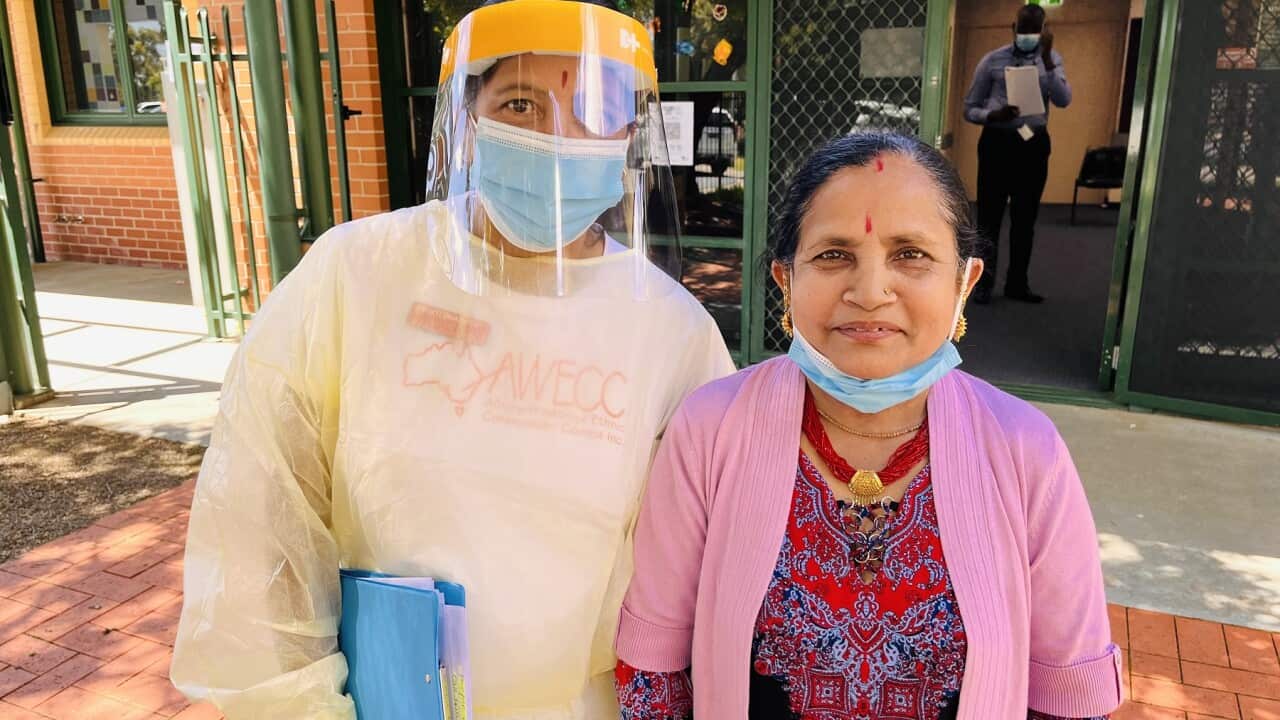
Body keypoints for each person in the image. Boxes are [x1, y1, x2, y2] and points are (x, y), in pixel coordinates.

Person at [168, 1, 735, 717]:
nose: (558, 136)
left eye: (594, 108)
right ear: (470, 119)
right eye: (520, 103)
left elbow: (701, 574)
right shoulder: (358, 275)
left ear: (629, 131)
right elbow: (263, 522)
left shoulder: (674, 333)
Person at [613, 133, 1123, 719]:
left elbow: (1069, 699)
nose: (871, 292)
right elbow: (653, 673)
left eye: (911, 254)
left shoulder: (1028, 453)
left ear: (965, 282)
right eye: (834, 254)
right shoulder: (709, 430)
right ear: (784, 279)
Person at [963, 4, 1071, 304]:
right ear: (1014, 28)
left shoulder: (1051, 61)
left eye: (1033, 31)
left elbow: (1064, 100)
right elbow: (969, 108)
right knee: (989, 217)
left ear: (1043, 32)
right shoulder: (992, 61)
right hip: (998, 142)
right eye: (1022, 30)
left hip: (1033, 146)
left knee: (1026, 218)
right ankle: (982, 285)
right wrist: (993, 115)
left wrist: (1047, 59)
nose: (1026, 36)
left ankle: (1017, 284)